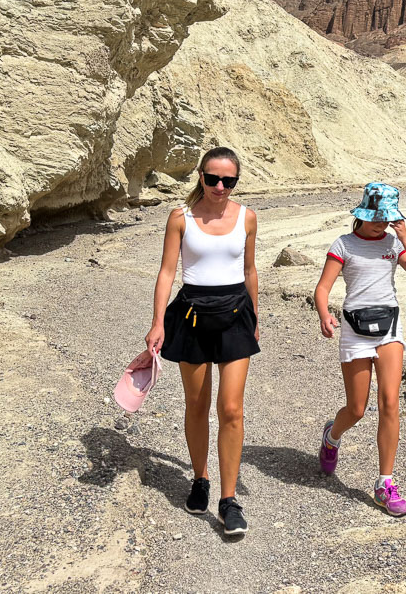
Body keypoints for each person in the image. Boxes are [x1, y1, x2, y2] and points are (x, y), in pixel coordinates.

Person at [145, 146, 259, 536]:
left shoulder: (247, 217)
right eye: (213, 178)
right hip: (191, 314)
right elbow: (166, 272)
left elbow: (249, 269)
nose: (220, 187)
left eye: (229, 180)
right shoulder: (180, 217)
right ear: (200, 176)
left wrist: (254, 318)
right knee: (197, 404)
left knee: (231, 409)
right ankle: (200, 478)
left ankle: (229, 501)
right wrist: (158, 322)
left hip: (235, 317)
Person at [313, 182, 406, 516]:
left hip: (389, 328)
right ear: (364, 213)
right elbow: (323, 288)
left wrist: (405, 237)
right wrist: (324, 314)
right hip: (354, 330)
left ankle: (385, 483)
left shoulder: (394, 243)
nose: (382, 223)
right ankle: (332, 436)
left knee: (390, 402)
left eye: (388, 217)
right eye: (377, 216)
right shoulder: (344, 244)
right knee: (356, 409)